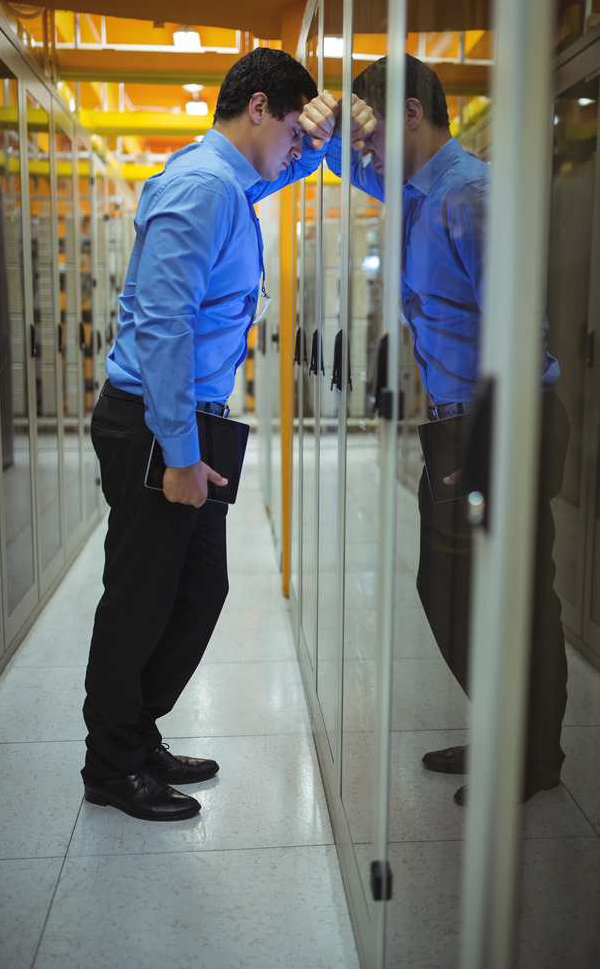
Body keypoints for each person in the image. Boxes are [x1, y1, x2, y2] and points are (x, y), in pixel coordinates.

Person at [83, 48, 374, 822]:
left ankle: (137, 732)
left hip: (189, 422)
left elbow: (288, 168)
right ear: (257, 109)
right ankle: (110, 765)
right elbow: (162, 326)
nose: (290, 152)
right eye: (288, 131)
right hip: (157, 423)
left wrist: (326, 133)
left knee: (198, 588)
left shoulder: (228, 182)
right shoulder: (203, 188)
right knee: (139, 599)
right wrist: (178, 454)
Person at [302, 55, 570, 805]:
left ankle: (531, 755)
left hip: (501, 422)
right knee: (456, 591)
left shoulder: (468, 197)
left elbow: (520, 336)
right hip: (463, 426)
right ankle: (514, 735)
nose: (367, 154)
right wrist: (326, 121)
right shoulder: (416, 189)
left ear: (410, 116)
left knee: (506, 596)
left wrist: (486, 451)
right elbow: (340, 163)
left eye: (373, 134)